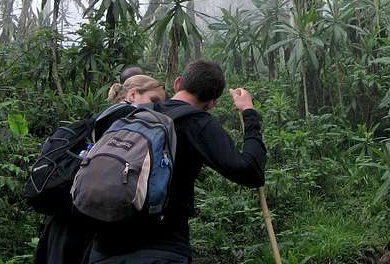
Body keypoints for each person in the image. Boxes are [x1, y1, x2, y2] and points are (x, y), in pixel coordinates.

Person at [89, 59, 266, 264]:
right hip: (161, 248)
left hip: (103, 247)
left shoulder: (137, 112)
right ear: (212, 103)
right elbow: (250, 171)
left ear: (178, 83)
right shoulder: (198, 122)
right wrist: (249, 113)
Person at [34, 75, 167, 264]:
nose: (158, 107)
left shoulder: (101, 117)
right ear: (132, 94)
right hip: (84, 222)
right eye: (154, 100)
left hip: (63, 217)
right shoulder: (126, 119)